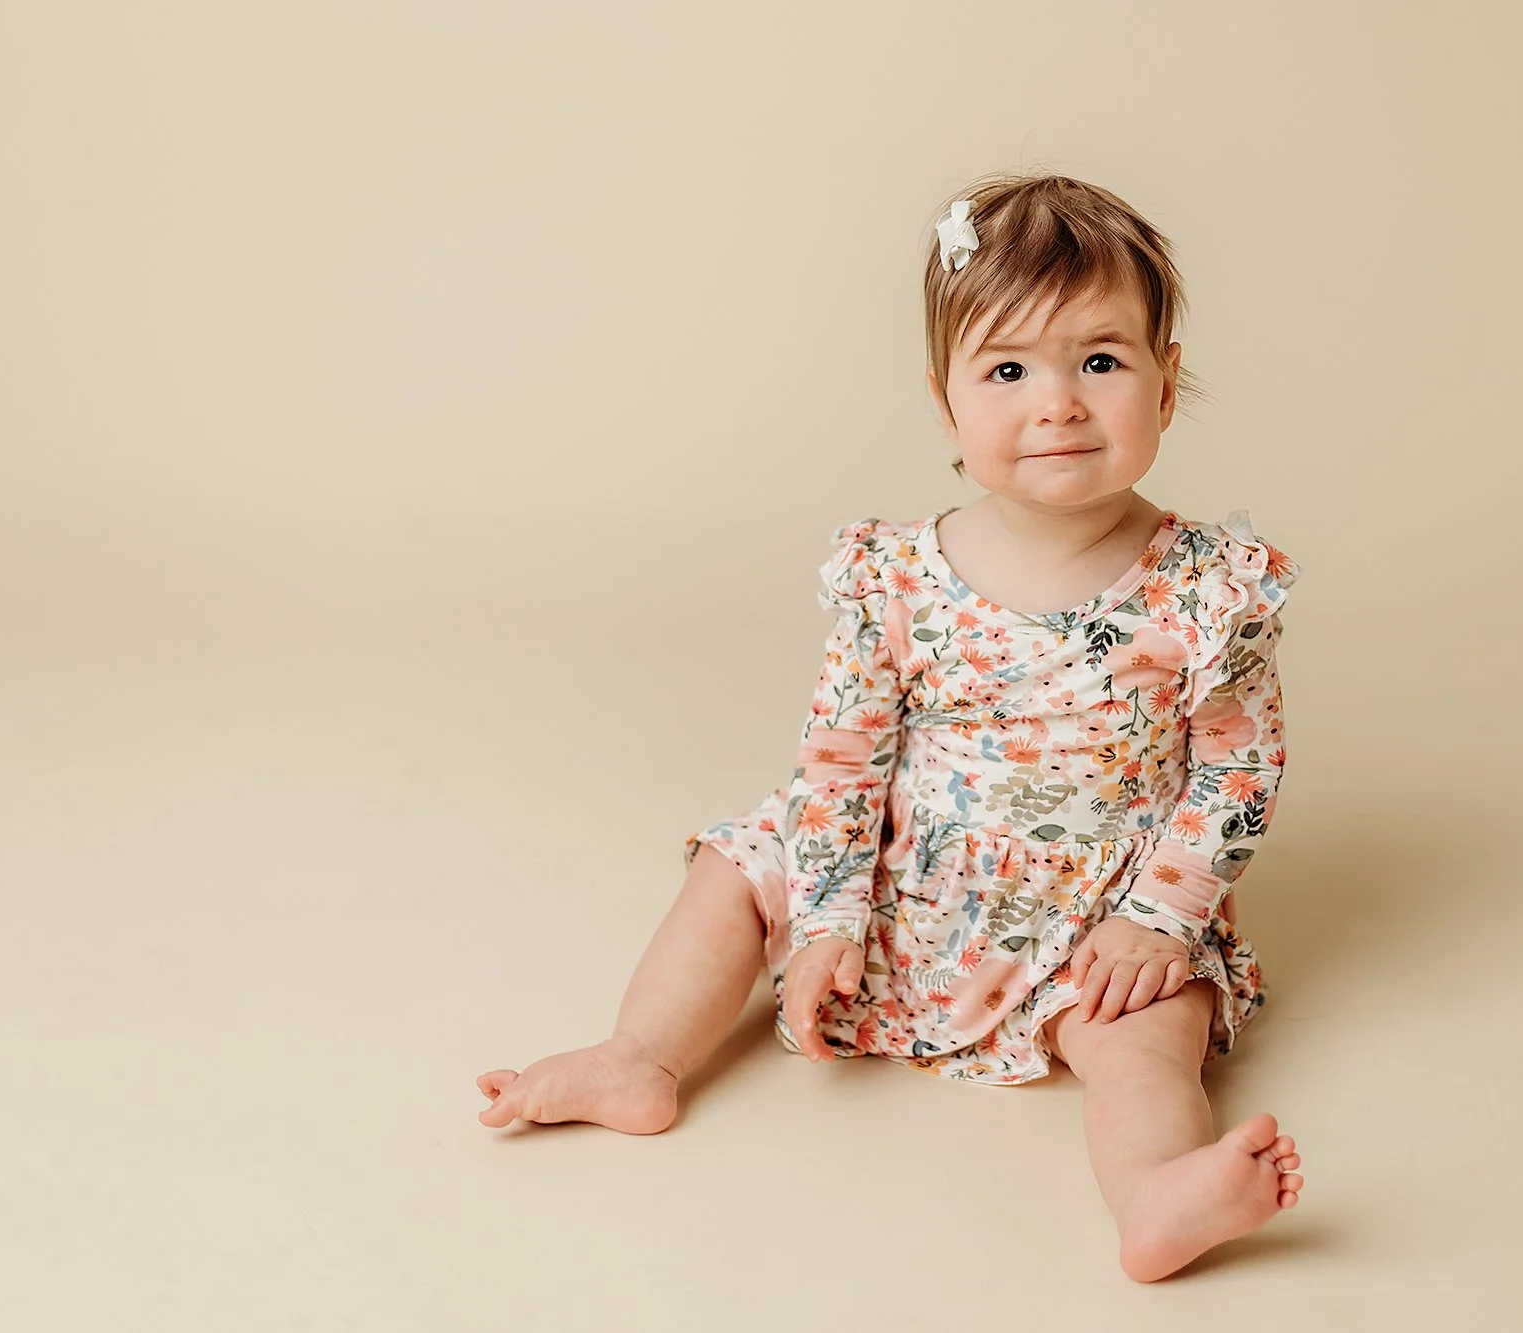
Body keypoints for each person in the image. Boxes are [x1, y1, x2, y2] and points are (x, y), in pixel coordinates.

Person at [476, 173, 1305, 1282]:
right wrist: (822, 915)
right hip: (901, 871)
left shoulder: (1203, 586)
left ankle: (1155, 1187)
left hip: (1096, 904)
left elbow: (1236, 764)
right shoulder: (896, 576)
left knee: (1146, 1033)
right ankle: (639, 1055)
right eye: (1006, 369)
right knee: (737, 867)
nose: (1056, 402)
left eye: (1099, 361)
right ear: (945, 403)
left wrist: (1158, 918)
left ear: (1165, 389)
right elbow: (841, 757)